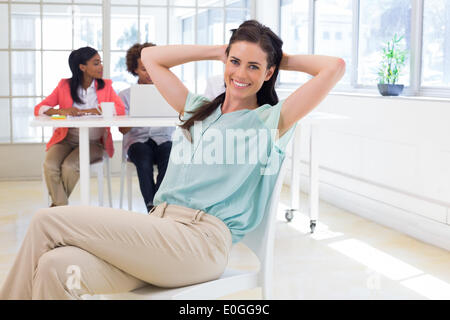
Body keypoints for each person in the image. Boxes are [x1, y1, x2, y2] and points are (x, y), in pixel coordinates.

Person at [0, 20, 344, 299]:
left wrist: (278, 56)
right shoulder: (197, 109)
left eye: (255, 67)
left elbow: (334, 67)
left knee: (48, 220)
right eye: (235, 62)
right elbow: (151, 57)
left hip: (201, 245)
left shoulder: (270, 121)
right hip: (159, 230)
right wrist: (219, 51)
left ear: (268, 74)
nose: (241, 73)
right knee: (54, 268)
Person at [35, 46, 125, 207]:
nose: (101, 66)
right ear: (82, 67)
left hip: (94, 143)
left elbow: (119, 110)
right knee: (50, 165)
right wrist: (60, 110)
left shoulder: (106, 86)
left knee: (69, 166)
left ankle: (56, 208)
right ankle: (61, 207)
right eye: (96, 63)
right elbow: (40, 108)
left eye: (100, 62)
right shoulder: (64, 86)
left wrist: (93, 110)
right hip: (66, 140)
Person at [118, 43, 175, 212]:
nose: (149, 74)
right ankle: (151, 206)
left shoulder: (169, 92)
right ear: (134, 69)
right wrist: (136, 114)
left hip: (162, 139)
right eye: (144, 69)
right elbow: (122, 130)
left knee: (171, 155)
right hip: (137, 142)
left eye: (153, 68)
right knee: (143, 160)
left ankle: (159, 201)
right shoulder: (125, 96)